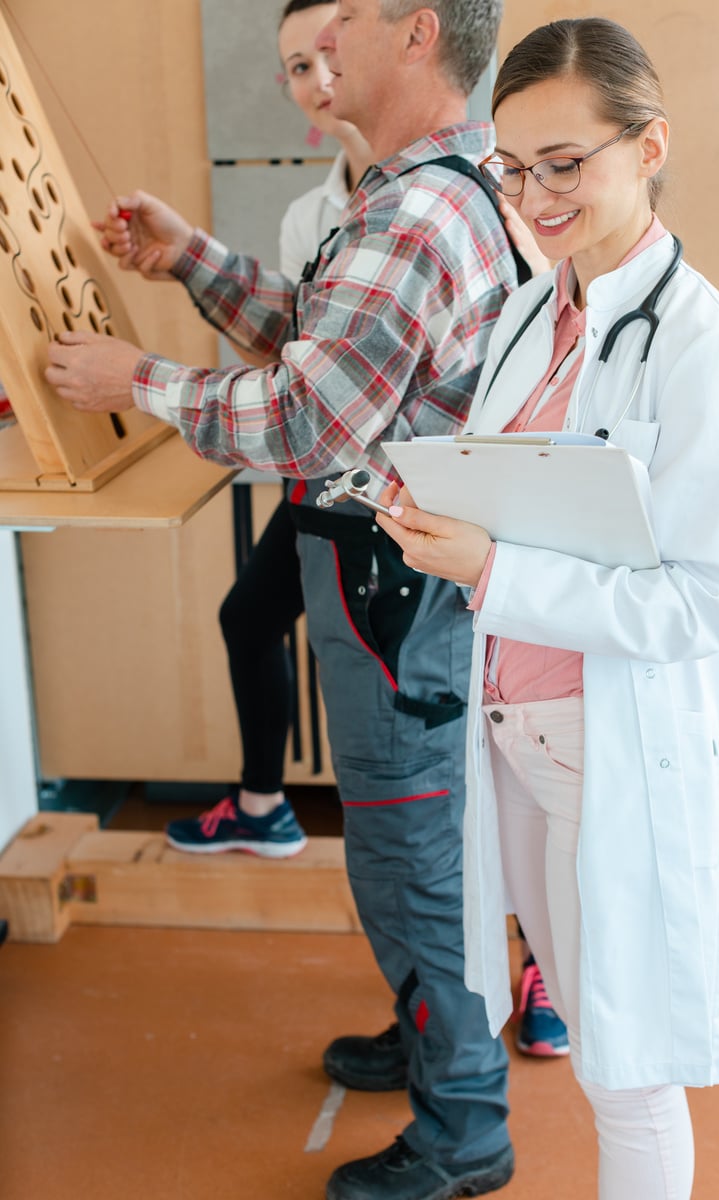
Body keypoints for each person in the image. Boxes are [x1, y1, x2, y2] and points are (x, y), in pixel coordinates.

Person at [45, 3, 530, 1197]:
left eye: (342, 23)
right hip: (392, 582)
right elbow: (327, 347)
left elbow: (307, 417)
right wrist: (195, 262)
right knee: (402, 845)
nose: (320, 59)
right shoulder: (426, 186)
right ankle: (431, 1043)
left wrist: (138, 381)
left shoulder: (417, 208)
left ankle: (463, 1128)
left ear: (418, 33)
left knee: (410, 858)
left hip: (394, 593)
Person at [375, 17, 719, 1200]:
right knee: (588, 1031)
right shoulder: (529, 310)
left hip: (615, 756)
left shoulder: (706, 353)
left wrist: (488, 571)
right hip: (516, 742)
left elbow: (699, 602)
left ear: (649, 146)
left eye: (567, 163)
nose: (535, 195)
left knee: (625, 1071)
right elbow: (531, 489)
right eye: (513, 166)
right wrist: (434, 492)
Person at [162, 0, 373, 860]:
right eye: (295, 67)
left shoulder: (456, 200)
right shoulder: (307, 218)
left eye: (329, 52)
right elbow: (298, 361)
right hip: (331, 481)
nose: (317, 80)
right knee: (249, 617)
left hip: (415, 504)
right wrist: (184, 255)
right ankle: (261, 804)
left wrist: (142, 382)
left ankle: (535, 959)